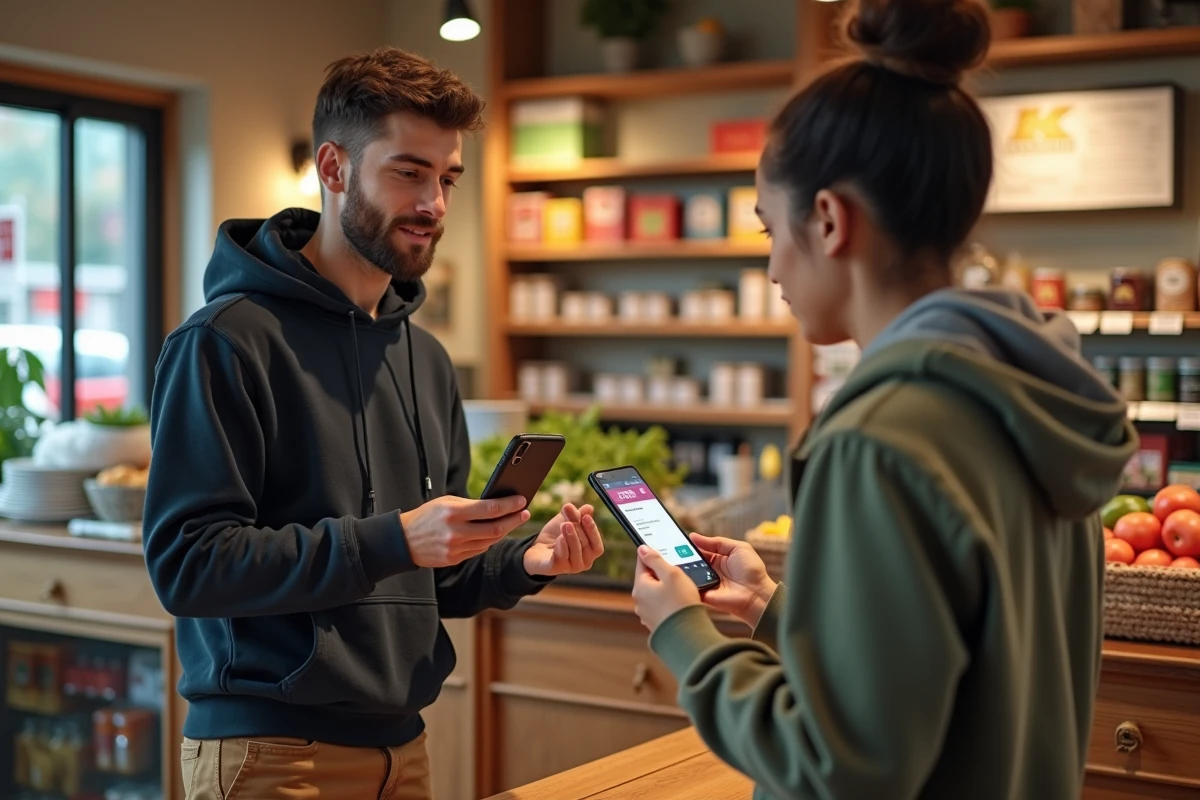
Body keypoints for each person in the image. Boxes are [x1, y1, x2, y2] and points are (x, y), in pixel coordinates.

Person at [630, 0, 1138, 797]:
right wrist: (776, 613)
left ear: (828, 220)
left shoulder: (878, 436)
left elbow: (843, 766)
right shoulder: (1032, 397)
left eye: (770, 231)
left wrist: (684, 632)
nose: (771, 272)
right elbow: (961, 680)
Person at [143, 47, 603, 799]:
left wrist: (525, 563)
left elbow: (437, 577)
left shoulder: (424, 358)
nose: (435, 203)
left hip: (408, 749)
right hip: (270, 755)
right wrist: (395, 537)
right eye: (408, 172)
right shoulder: (224, 342)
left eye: (447, 178)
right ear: (333, 169)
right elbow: (187, 565)